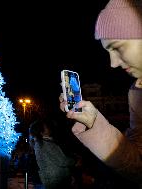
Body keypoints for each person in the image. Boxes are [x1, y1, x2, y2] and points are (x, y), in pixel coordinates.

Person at [59, 0, 142, 186]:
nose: (113, 64)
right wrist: (94, 123)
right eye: (108, 51)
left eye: (118, 46)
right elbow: (137, 166)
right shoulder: (137, 93)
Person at [29, 118, 75, 189]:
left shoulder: (41, 143)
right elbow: (62, 161)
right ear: (41, 131)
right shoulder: (45, 144)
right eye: (45, 127)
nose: (48, 127)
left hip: (53, 179)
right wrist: (75, 161)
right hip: (57, 180)